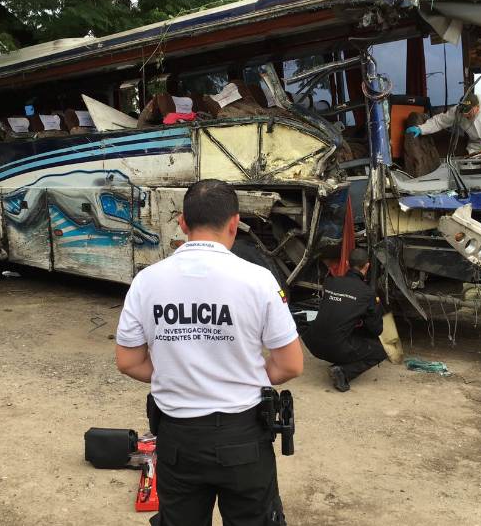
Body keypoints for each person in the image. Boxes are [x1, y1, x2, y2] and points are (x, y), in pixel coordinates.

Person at [115, 179, 303, 526]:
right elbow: (291, 364)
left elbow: (128, 361)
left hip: (177, 440)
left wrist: (174, 375)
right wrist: (244, 376)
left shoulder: (147, 281)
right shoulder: (258, 280)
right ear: (234, 223)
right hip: (243, 437)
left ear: (182, 223)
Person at [302, 248, 386, 392]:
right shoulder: (367, 293)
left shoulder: (330, 282)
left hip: (312, 343)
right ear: (367, 266)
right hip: (335, 347)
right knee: (380, 351)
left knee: (342, 327)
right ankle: (342, 372)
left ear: (347, 263)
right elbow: (376, 329)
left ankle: (340, 354)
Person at [405, 93, 481, 154]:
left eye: (468, 112)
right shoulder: (458, 111)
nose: (465, 115)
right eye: (463, 112)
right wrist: (421, 128)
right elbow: (440, 121)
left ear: (477, 107)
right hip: (477, 147)